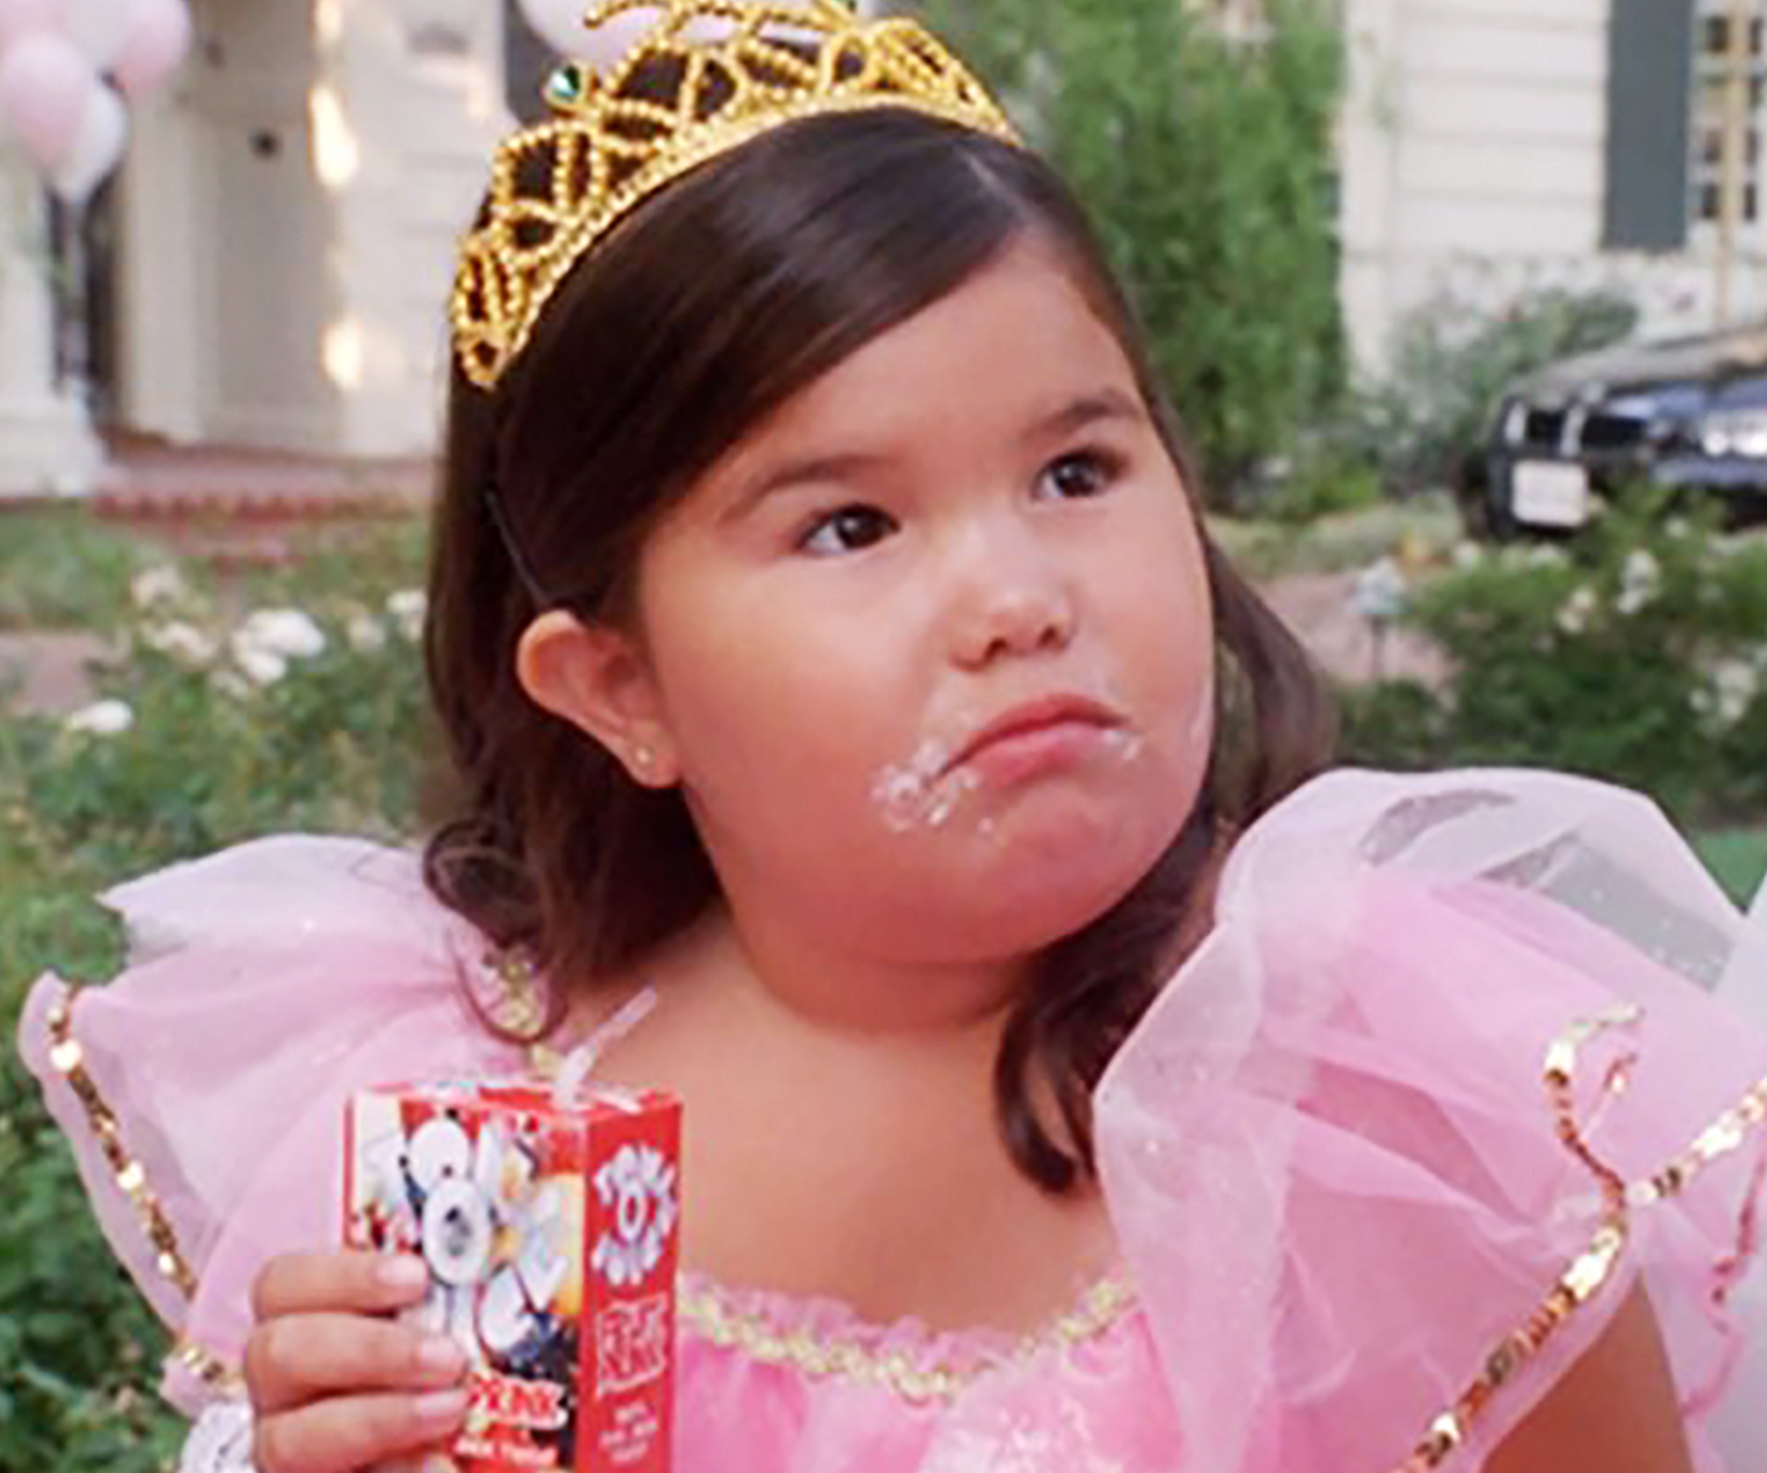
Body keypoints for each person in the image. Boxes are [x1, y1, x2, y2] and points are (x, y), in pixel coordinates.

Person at [17, 2, 1767, 1470]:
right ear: (619, 689)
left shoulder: (1370, 1105)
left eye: (1076, 469)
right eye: (849, 523)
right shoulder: (497, 1116)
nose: (1016, 597)